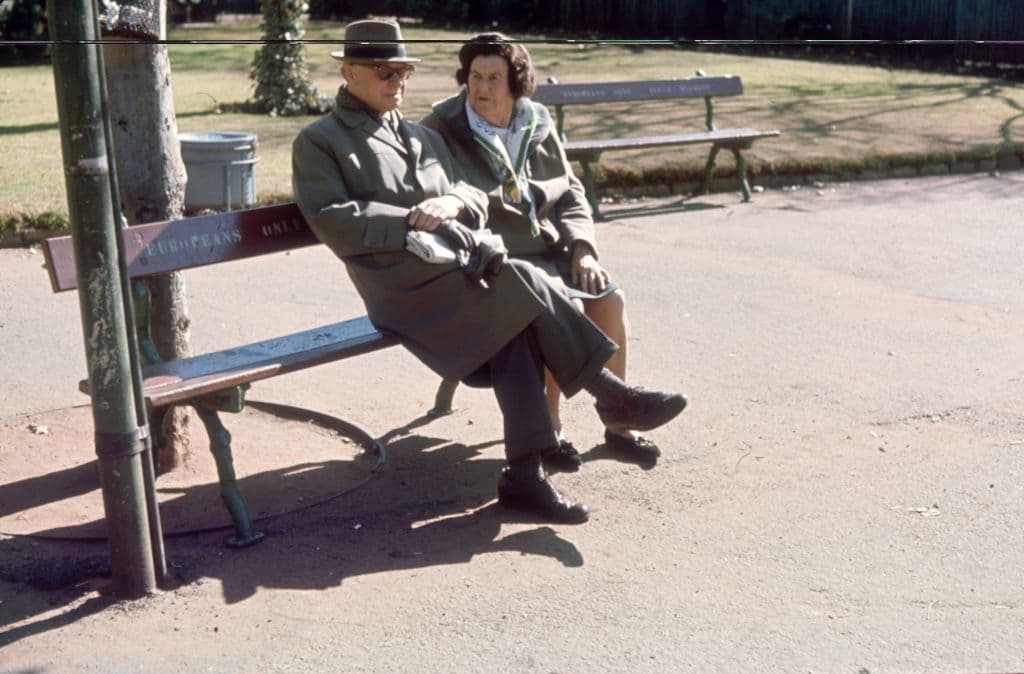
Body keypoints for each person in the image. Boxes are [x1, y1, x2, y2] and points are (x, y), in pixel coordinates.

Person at [292, 19, 687, 524]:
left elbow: (471, 194)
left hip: (456, 272)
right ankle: (612, 397)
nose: (398, 81)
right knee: (524, 283)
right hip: (402, 288)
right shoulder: (321, 141)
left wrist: (454, 201)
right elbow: (332, 220)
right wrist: (412, 219)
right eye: (384, 72)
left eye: (404, 72)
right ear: (349, 72)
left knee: (518, 318)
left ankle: (525, 476)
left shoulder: (417, 136)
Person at [421, 33, 658, 470]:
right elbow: (431, 192)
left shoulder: (535, 121)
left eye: (494, 78)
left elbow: (570, 192)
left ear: (516, 83)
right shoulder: (443, 125)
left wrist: (583, 249)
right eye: (475, 76)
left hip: (550, 250)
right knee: (563, 305)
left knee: (609, 298)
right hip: (497, 260)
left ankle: (620, 423)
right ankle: (551, 430)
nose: (481, 88)